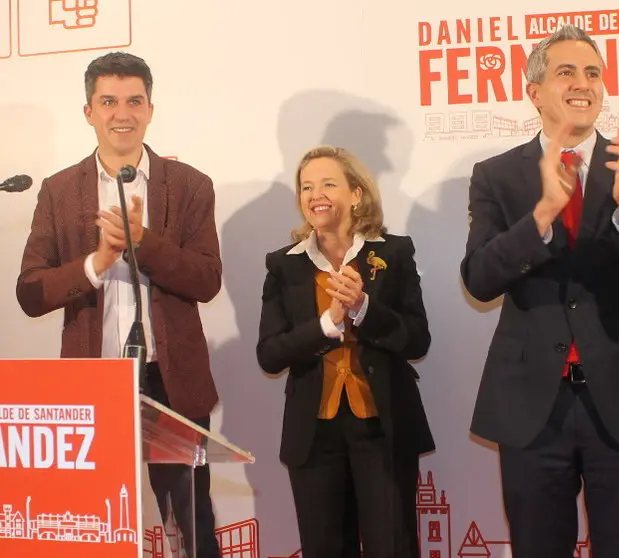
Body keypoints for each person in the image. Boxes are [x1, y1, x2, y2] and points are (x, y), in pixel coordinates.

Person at [460, 24, 619, 558]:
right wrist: (540, 217)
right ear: (534, 92)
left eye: (593, 72)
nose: (584, 83)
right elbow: (479, 279)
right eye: (566, 72)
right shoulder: (497, 176)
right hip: (532, 405)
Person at [16, 52, 223, 557]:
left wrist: (142, 243)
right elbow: (30, 292)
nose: (121, 113)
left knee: (190, 527)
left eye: (134, 101)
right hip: (93, 380)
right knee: (94, 525)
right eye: (108, 102)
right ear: (89, 111)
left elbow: (207, 279)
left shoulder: (190, 185)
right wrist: (98, 261)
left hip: (169, 379)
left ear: (151, 109)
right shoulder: (60, 191)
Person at [256, 145, 434, 558]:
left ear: (356, 194)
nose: (315, 194)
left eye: (328, 184)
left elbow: (418, 340)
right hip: (314, 435)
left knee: (392, 546)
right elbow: (270, 354)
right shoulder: (284, 265)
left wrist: (364, 308)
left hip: (382, 430)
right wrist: (328, 323)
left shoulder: (393, 252)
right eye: (306, 187)